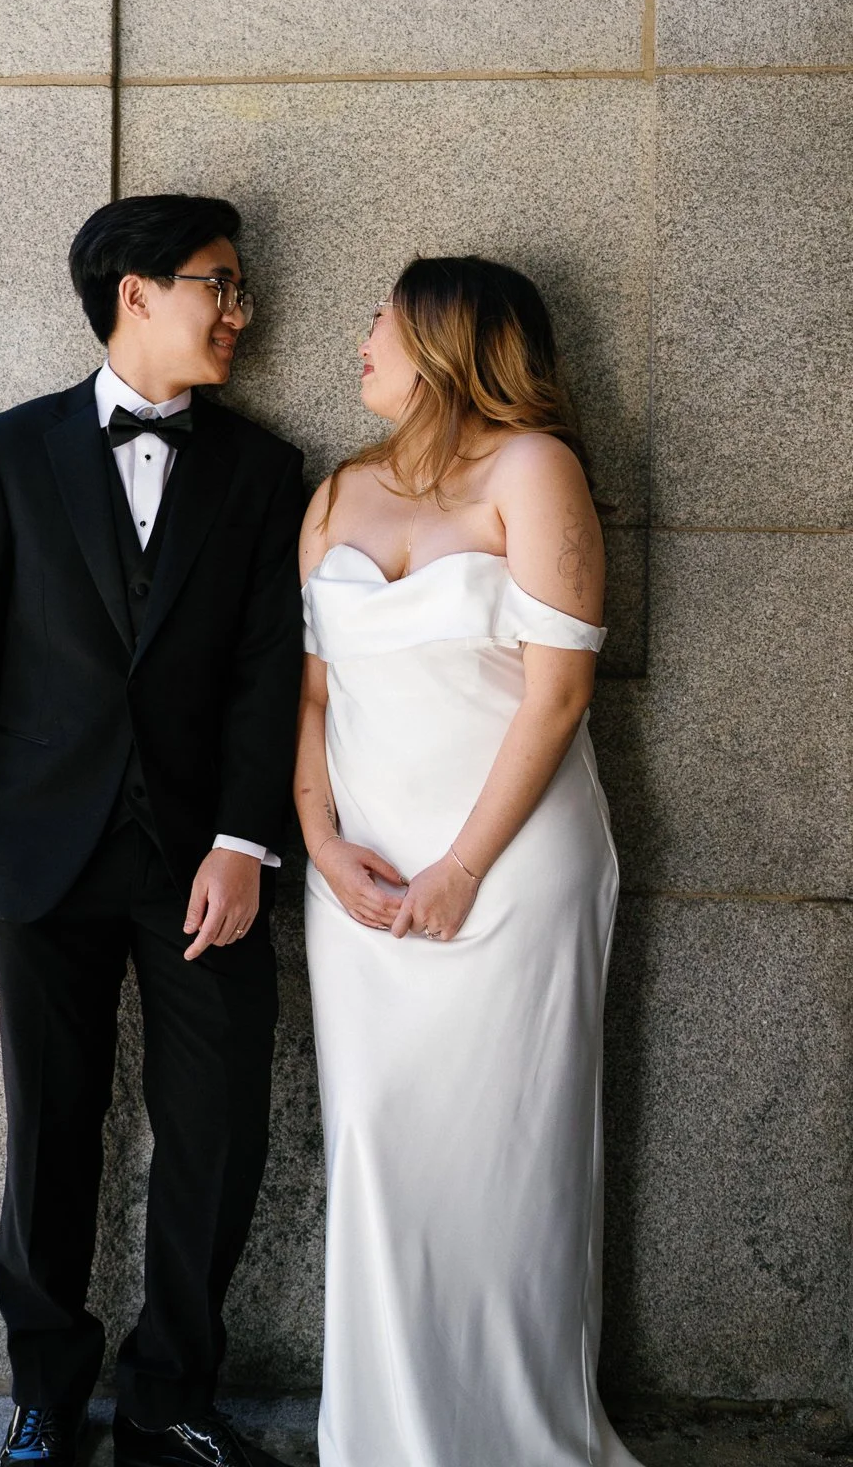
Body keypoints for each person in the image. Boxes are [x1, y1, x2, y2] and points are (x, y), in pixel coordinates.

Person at [0, 195, 305, 1467]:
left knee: (217, 1126)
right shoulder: (9, 452)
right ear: (136, 291)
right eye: (219, 286)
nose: (238, 313)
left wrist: (245, 843)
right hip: (40, 846)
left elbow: (266, 672)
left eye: (241, 291)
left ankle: (170, 1394)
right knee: (52, 1124)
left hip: (203, 862)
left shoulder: (260, 471)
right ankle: (45, 1385)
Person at [295, 256, 642, 1467]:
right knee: (379, 1157)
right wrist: (322, 843)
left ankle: (509, 1437)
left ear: (444, 338)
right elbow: (309, 696)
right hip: (358, 890)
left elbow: (555, 698)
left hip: (506, 875)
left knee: (506, 1161)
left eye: (376, 317)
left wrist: (456, 871)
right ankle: (380, 1441)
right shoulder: (336, 495)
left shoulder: (533, 472)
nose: (358, 339)